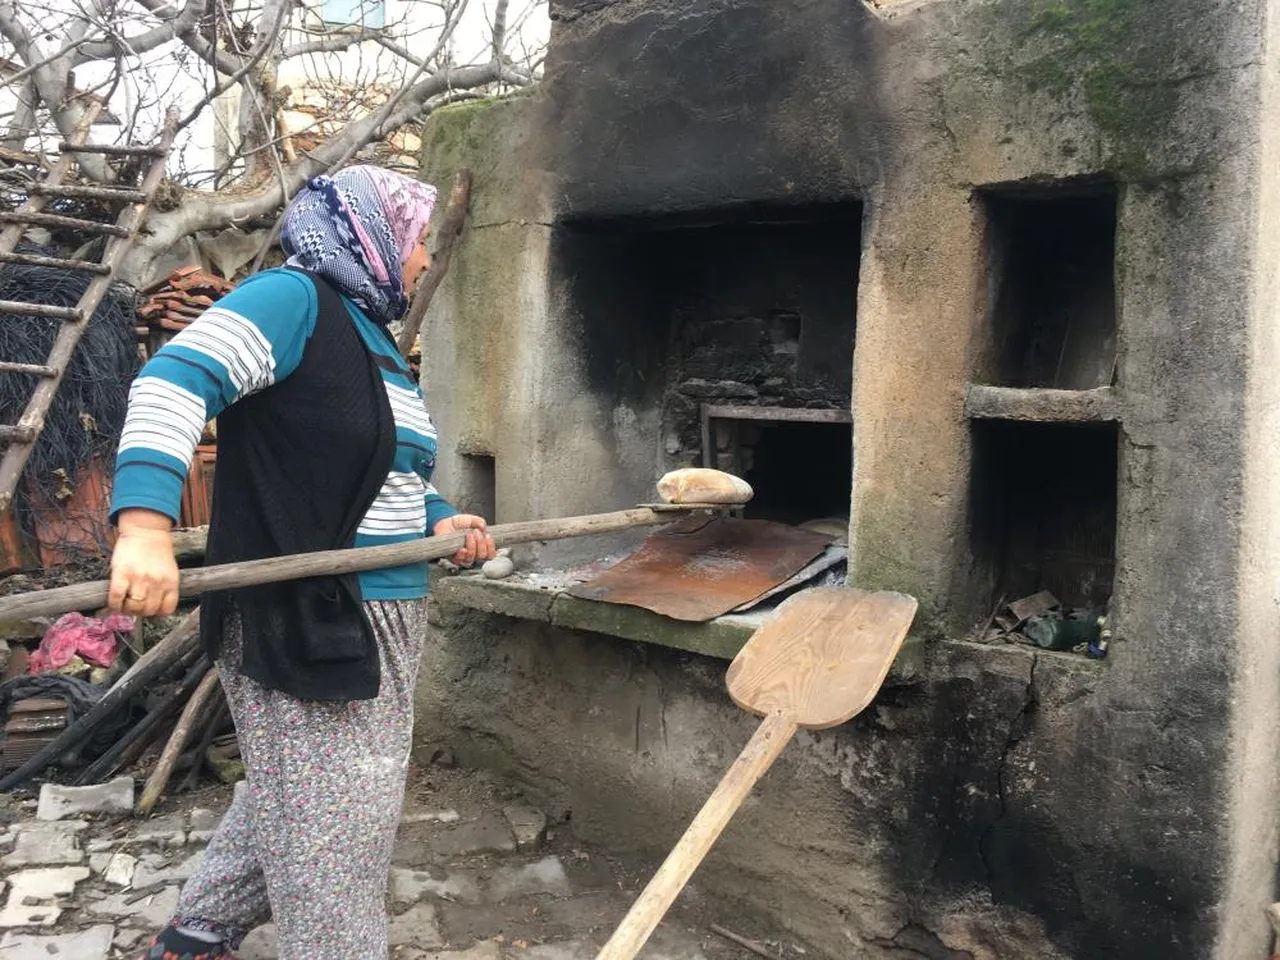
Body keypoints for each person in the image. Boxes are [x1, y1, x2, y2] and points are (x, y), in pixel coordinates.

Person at [106, 165, 496, 960]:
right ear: (375, 233)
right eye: (418, 241)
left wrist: (440, 519)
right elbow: (172, 380)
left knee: (306, 797)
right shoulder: (294, 302)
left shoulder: (369, 335)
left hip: (380, 611)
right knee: (337, 840)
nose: (425, 261)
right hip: (312, 611)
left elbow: (385, 473)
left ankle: (194, 936)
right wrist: (143, 527)